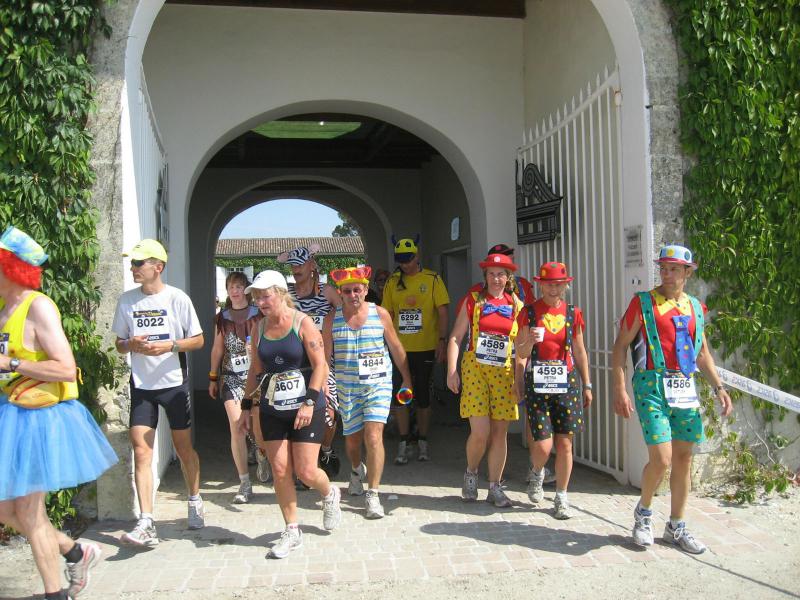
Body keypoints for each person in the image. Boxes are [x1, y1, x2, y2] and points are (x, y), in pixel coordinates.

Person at [0, 226, 117, 600]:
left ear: (9, 265)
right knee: (5, 509)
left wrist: (12, 363)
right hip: (9, 415)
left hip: (35, 421)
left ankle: (56, 594)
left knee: (29, 514)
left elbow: (66, 368)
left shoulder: (38, 306)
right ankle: (75, 551)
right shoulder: (4, 309)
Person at [611, 245, 732, 553]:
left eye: (674, 269)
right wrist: (619, 387)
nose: (666, 274)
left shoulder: (695, 308)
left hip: (684, 387)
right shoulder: (643, 303)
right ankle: (643, 513)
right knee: (661, 458)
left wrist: (718, 387)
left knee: (683, 458)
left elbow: (702, 354)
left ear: (687, 272)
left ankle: (676, 526)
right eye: (663, 268)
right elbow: (620, 345)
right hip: (651, 386)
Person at [239, 270, 341, 559]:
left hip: (306, 406)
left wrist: (309, 402)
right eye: (257, 297)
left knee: (306, 472)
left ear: (281, 293)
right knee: (281, 470)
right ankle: (292, 530)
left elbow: (320, 366)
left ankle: (329, 493)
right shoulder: (258, 328)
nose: (260, 302)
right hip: (273, 408)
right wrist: (246, 407)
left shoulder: (302, 323)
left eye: (265, 296)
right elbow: (255, 370)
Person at [112, 239, 205, 547]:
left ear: (158, 267)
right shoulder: (126, 301)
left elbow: (198, 340)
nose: (133, 268)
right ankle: (146, 521)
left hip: (174, 383)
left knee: (183, 448)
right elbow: (119, 344)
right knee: (141, 451)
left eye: (139, 263)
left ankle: (194, 498)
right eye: (132, 263)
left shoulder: (177, 298)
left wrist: (170, 346)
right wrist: (130, 344)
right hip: (142, 386)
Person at [322, 266, 412, 518]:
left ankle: (373, 494)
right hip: (347, 387)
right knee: (352, 441)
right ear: (340, 293)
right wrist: (324, 385)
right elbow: (325, 356)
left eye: (357, 290)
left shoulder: (380, 314)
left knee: (373, 437)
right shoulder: (331, 319)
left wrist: (407, 378)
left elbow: (396, 347)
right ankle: (355, 468)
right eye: (347, 291)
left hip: (378, 385)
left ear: (365, 290)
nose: (353, 295)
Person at [447, 253, 532, 507]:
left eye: (501, 274)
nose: (496, 279)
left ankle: (495, 486)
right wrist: (451, 370)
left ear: (508, 278)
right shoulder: (474, 300)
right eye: (492, 274)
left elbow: (521, 350)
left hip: (504, 372)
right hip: (475, 369)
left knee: (499, 433)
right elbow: (456, 337)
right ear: (485, 277)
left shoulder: (517, 305)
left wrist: (520, 377)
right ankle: (471, 472)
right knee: (481, 432)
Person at [520, 262, 592, 519]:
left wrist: (587, 383)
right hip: (538, 382)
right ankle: (537, 471)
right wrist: (530, 341)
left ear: (565, 286)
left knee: (565, 444)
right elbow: (520, 351)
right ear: (540, 285)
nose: (554, 288)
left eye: (558, 284)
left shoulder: (573, 313)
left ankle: (561, 496)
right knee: (543, 445)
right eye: (549, 284)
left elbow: (580, 350)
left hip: (566, 382)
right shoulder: (529, 312)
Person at [382, 235, 449, 464]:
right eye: (401, 260)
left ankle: (422, 439)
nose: (405, 264)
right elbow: (387, 315)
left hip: (425, 348)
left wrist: (442, 340)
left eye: (408, 259)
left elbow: (442, 312)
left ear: (416, 256)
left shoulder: (432, 279)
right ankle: (404, 441)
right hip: (399, 349)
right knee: (401, 395)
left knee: (422, 396)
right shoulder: (392, 282)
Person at [278, 244, 341, 480]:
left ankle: (326, 450)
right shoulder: (287, 294)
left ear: (312, 265)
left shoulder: (326, 291)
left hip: (324, 360)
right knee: (296, 411)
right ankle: (305, 463)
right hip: (294, 363)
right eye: (292, 265)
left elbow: (345, 315)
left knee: (328, 414)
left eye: (300, 264)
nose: (296, 269)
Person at [208, 272, 265, 503]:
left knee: (258, 428)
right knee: (237, 426)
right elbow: (217, 348)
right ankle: (244, 483)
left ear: (246, 290)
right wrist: (213, 377)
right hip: (231, 377)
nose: (235, 291)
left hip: (256, 377)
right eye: (231, 287)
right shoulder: (221, 318)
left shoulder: (258, 314)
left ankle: (261, 452)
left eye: (239, 286)